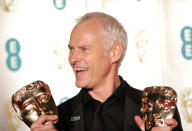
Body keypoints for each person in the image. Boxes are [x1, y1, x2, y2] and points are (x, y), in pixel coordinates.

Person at [30, 12, 183, 131]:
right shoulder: (58, 118)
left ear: (115, 52)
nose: (72, 59)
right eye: (71, 50)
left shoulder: (157, 109)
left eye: (84, 49)